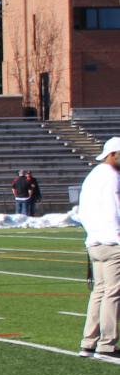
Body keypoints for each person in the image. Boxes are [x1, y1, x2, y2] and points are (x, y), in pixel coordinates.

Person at [77, 139, 120, 359]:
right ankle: (107, 344)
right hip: (113, 242)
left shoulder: (92, 176)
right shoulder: (112, 177)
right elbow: (115, 209)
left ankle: (88, 342)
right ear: (113, 154)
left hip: (94, 240)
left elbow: (82, 211)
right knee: (113, 293)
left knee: (100, 291)